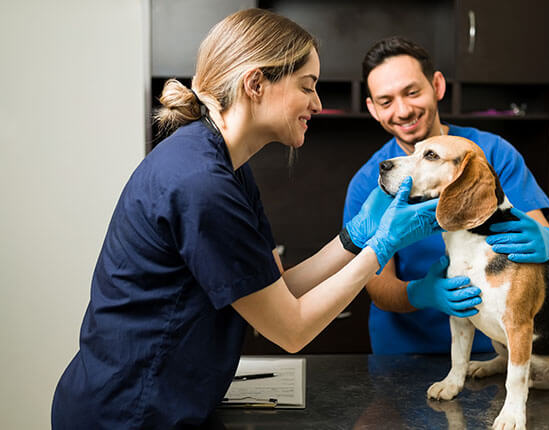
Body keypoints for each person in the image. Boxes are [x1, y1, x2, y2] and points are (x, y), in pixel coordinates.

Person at [51, 11, 442, 429]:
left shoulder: (228, 168)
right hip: (130, 412)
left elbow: (278, 291)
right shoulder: (201, 184)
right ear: (255, 84)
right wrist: (380, 248)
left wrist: (355, 237)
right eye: (307, 86)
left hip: (162, 402)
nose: (317, 103)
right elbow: (291, 330)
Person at [342, 36, 549, 355]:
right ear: (373, 109)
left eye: (412, 92)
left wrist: (548, 242)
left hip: (494, 349)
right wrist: (421, 293)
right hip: (406, 354)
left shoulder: (492, 155)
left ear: (437, 86)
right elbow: (376, 285)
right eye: (386, 101)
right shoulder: (371, 183)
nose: (402, 111)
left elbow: (542, 237)